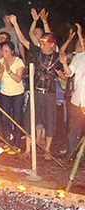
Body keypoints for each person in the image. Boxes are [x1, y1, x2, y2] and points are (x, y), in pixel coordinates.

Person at [10, 14, 62, 160]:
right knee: (29, 119)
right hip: (35, 92)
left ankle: (47, 150)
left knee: (50, 120)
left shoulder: (58, 57)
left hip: (50, 93)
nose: (42, 45)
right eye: (41, 42)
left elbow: (65, 76)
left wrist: (63, 70)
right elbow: (23, 40)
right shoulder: (37, 52)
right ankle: (28, 149)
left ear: (52, 44)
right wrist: (15, 23)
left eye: (45, 43)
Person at [60, 23, 85, 158]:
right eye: (79, 43)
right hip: (77, 100)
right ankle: (71, 155)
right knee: (73, 129)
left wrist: (80, 33)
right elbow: (69, 73)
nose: (80, 45)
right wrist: (64, 63)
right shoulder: (77, 57)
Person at [0, 41, 25, 147]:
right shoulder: (0, 62)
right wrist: (2, 71)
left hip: (17, 94)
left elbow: (18, 79)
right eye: (3, 51)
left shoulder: (18, 61)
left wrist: (9, 71)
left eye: (6, 51)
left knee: (17, 117)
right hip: (5, 93)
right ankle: (6, 139)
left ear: (12, 51)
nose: (4, 53)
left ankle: (17, 142)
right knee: (4, 117)